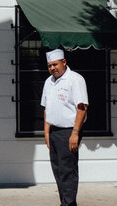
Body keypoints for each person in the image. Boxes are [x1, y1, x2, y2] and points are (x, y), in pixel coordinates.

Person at [41, 48, 88, 206]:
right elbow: (46, 108)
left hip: (68, 131)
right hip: (54, 131)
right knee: (58, 171)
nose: (52, 68)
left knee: (68, 171)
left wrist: (75, 133)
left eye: (55, 64)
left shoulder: (75, 79)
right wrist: (46, 132)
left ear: (64, 62)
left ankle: (68, 203)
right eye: (49, 65)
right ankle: (67, 203)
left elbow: (82, 107)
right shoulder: (49, 82)